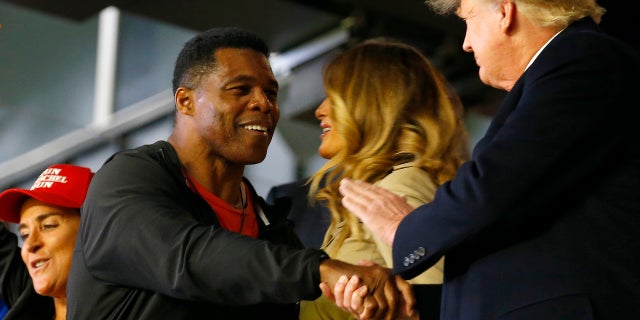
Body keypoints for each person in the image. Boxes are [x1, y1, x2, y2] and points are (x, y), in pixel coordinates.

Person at [65, 26, 415, 319]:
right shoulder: (128, 179)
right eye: (240, 89)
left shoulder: (271, 229)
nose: (264, 103)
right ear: (185, 101)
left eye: (271, 92)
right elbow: (187, 257)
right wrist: (321, 269)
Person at [335, 0, 640, 319]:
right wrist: (405, 306)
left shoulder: (582, 56)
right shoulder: (570, 65)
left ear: (506, 13)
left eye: (468, 20)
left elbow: (495, 185)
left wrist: (405, 228)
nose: (465, 43)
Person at [299, 38, 469, 320]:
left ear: (373, 104)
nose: (320, 109)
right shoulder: (384, 185)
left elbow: (440, 308)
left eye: (334, 95)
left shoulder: (401, 185)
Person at [0, 164, 94, 320]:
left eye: (48, 226)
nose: (30, 245)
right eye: (25, 235)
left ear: (95, 229)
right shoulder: (29, 304)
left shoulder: (135, 306)